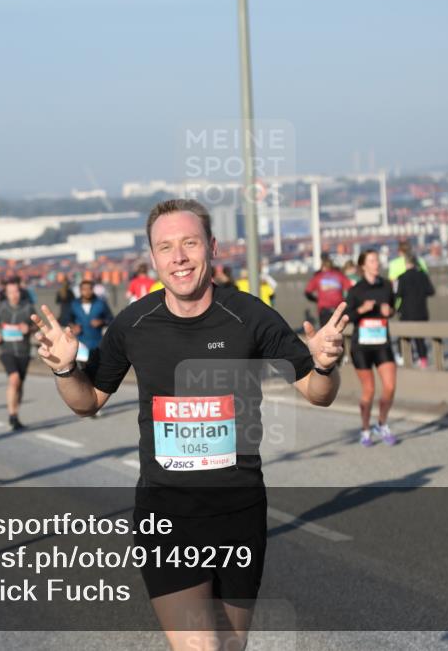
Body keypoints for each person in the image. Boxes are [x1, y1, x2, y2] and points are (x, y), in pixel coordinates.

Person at [31, 199, 347, 650]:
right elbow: (89, 403)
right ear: (153, 257)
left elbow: (318, 393)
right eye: (165, 247)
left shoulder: (250, 316)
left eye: (189, 243)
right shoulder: (133, 325)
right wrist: (65, 370)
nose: (178, 257)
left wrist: (326, 364)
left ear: (212, 247)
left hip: (240, 514)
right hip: (168, 517)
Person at [344, 249, 398, 446]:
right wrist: (361, 309)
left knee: (390, 387)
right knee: (369, 390)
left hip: (382, 342)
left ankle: (382, 424)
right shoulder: (356, 290)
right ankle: (365, 429)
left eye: (377, 260)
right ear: (363, 265)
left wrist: (389, 311)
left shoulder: (386, 285)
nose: (377, 263)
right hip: (362, 346)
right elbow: (347, 315)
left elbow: (393, 308)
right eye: (372, 260)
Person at [0, 277, 34, 431]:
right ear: (6, 294)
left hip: (23, 351)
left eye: (16, 291)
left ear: (20, 292)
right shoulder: (1, 307)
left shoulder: (28, 308)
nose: (14, 295)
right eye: (10, 292)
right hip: (6, 350)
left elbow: (36, 324)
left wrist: (29, 328)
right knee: (14, 379)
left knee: (19, 385)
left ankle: (15, 415)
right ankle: (11, 415)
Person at [394, 253, 434, 369]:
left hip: (407, 312)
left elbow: (397, 294)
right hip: (421, 310)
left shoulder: (401, 277)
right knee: (420, 338)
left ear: (406, 263)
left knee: (405, 337)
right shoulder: (423, 275)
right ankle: (423, 360)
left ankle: (407, 358)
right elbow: (431, 291)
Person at [305, 253, 352, 327]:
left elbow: (307, 292)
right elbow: (350, 289)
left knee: (325, 333)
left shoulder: (318, 276)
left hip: (324, 310)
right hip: (338, 309)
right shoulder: (339, 275)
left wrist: (316, 300)